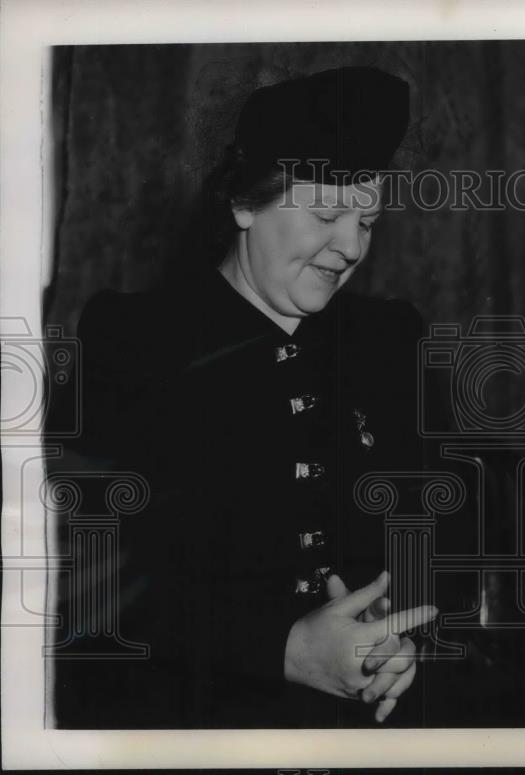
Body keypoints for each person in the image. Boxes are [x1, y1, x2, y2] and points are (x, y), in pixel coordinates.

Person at [50, 66, 439, 728]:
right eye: (326, 213)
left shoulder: (390, 341)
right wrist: (283, 650)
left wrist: (403, 634)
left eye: (367, 222)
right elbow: (82, 577)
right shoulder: (132, 341)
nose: (349, 247)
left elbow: (444, 524)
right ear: (244, 204)